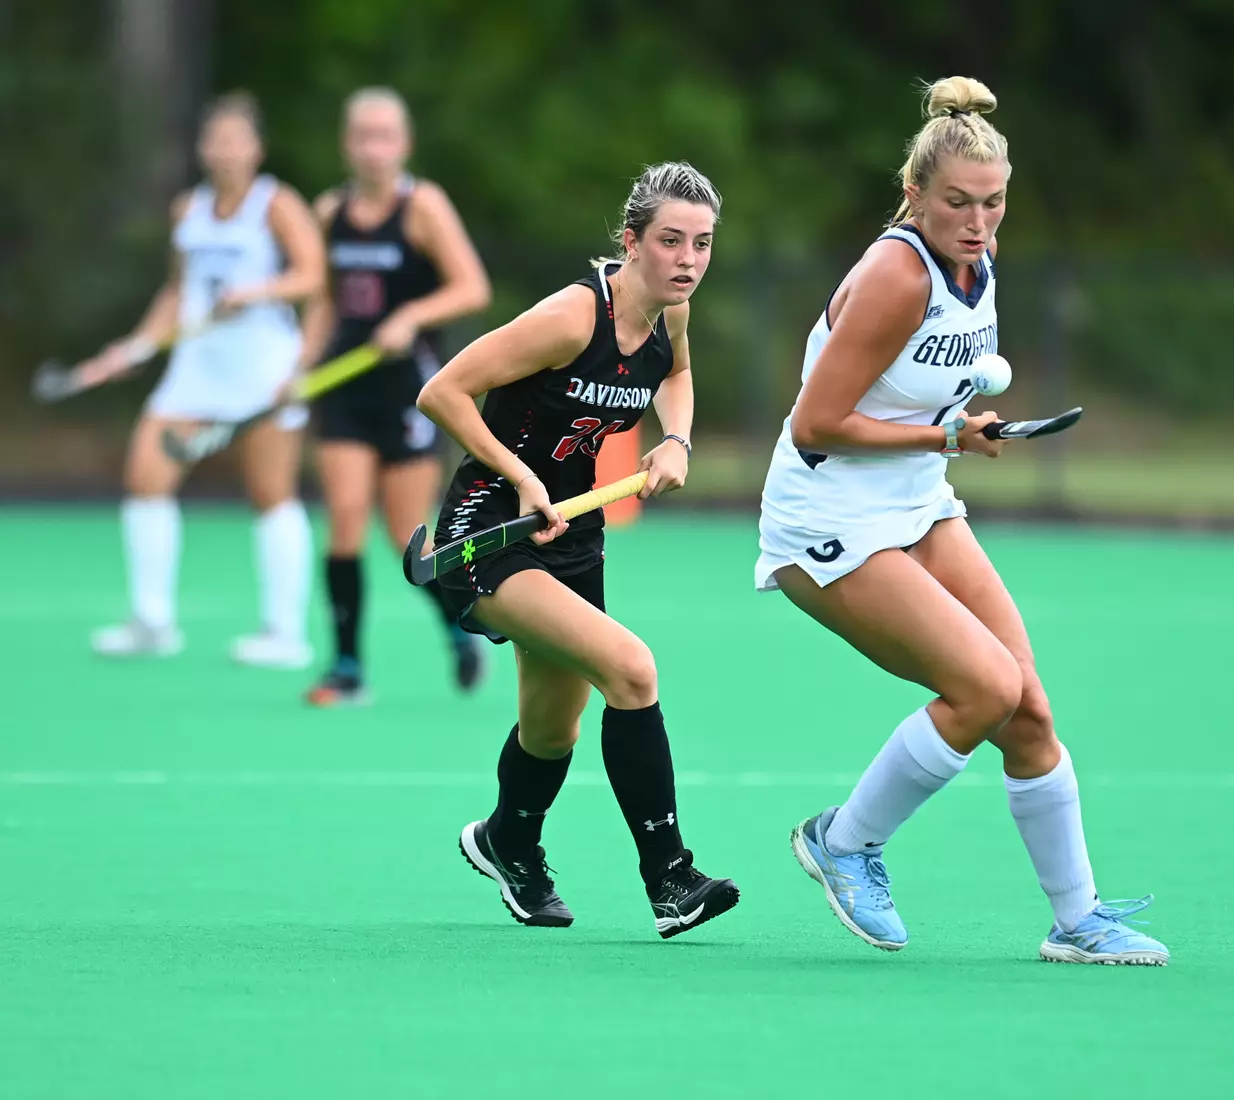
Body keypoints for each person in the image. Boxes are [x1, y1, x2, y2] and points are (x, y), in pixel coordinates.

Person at [757, 77, 1170, 965]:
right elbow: (815, 423)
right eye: (956, 203)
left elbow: (925, 395)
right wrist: (943, 432)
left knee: (1028, 707)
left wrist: (956, 428)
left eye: (993, 204)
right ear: (914, 194)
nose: (977, 221)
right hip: (827, 519)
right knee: (983, 688)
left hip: (914, 500)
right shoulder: (896, 274)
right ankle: (843, 842)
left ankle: (1078, 920)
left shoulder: (976, 265)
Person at [416, 162, 739, 939]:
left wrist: (678, 441)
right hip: (491, 529)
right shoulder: (572, 316)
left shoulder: (671, 316)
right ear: (631, 243)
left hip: (573, 533)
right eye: (670, 241)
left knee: (551, 729)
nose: (688, 259)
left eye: (701, 243)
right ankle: (671, 879)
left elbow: (679, 377)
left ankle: (508, 842)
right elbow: (442, 393)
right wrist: (524, 480)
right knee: (630, 668)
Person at [86, 92, 324, 667]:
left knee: (271, 494)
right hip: (196, 370)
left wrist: (257, 293)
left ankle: (284, 633)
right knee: (145, 477)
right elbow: (178, 291)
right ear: (201, 148)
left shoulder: (277, 204)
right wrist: (139, 344)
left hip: (264, 366)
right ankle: (151, 621)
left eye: (236, 138)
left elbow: (313, 277)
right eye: (214, 138)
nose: (224, 149)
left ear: (257, 149)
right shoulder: (186, 209)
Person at [301, 87, 493, 706]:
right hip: (346, 388)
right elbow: (323, 303)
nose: (373, 148)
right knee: (344, 525)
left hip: (411, 391)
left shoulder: (422, 207)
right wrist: (299, 369)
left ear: (403, 144)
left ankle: (460, 632)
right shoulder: (327, 211)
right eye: (362, 136)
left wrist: (410, 316)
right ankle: (348, 667)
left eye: (385, 136)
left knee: (405, 538)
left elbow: (471, 287)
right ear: (346, 143)